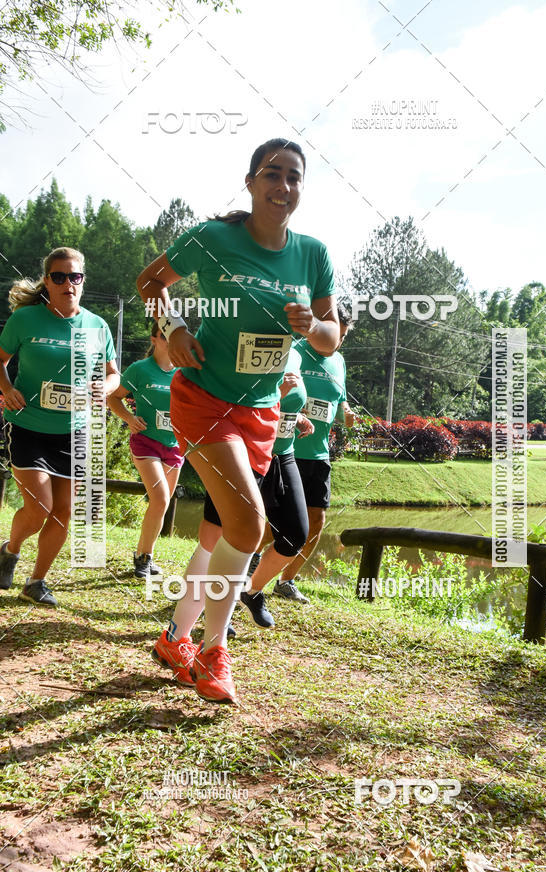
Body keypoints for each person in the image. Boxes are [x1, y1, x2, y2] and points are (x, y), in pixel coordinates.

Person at [137, 137, 339, 703]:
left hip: (261, 412)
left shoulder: (313, 254)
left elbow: (332, 336)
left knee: (228, 532)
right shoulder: (213, 239)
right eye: (272, 174)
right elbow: (150, 283)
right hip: (203, 400)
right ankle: (213, 650)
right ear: (250, 182)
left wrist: (310, 328)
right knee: (250, 527)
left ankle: (176, 635)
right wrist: (174, 329)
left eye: (294, 177)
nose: (283, 186)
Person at [0, 247, 119, 606]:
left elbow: (114, 375)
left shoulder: (97, 326)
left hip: (75, 430)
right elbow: (1, 360)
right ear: (48, 281)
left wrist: (105, 387)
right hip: (29, 425)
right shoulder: (26, 320)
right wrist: (7, 389)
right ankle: (10, 549)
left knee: (64, 510)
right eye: (59, 276)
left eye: (75, 276)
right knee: (39, 507)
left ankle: (36, 582)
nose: (68, 283)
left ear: (83, 281)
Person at [201, 345, 314, 630]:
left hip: (282, 454)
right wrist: (278, 395)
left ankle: (250, 591)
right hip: (244, 453)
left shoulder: (297, 354)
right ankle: (214, 607)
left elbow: (284, 404)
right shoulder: (249, 343)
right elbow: (233, 404)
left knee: (295, 535)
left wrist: (295, 416)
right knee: (224, 535)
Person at [274, 301, 355, 603]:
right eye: (335, 332)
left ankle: (286, 581)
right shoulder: (293, 351)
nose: (337, 341)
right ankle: (247, 568)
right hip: (284, 449)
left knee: (316, 522)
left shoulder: (340, 362)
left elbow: (340, 399)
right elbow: (268, 393)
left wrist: (346, 413)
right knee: (274, 522)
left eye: (343, 336)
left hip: (319, 454)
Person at [107, 321, 184, 578]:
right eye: (164, 335)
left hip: (175, 446)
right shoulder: (141, 369)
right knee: (161, 498)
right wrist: (129, 418)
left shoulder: (185, 373)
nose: (170, 340)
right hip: (146, 442)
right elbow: (113, 397)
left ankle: (144, 555)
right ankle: (143, 561)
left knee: (161, 504)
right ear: (154, 339)